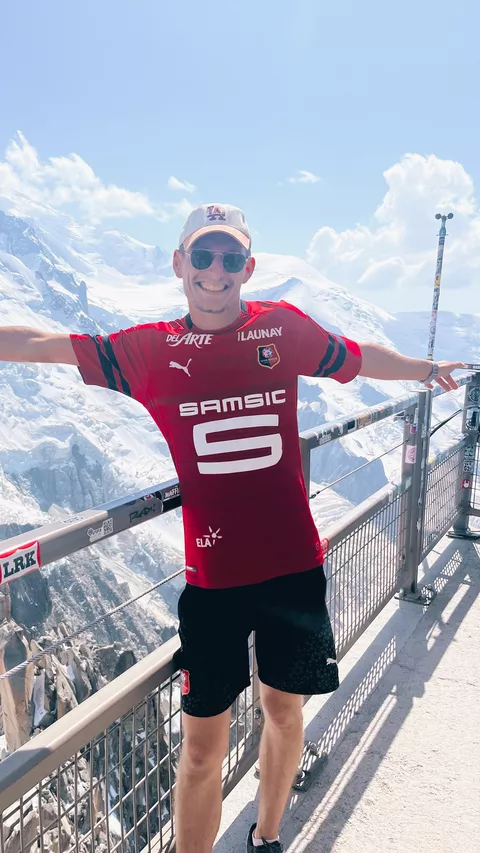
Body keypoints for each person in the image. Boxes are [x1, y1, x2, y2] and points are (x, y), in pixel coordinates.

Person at [0, 203, 464, 853]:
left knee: (284, 710)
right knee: (199, 752)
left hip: (295, 567)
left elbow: (357, 359)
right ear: (179, 263)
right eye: (202, 255)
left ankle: (267, 837)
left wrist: (423, 372)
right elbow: (45, 347)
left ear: (248, 267)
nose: (215, 271)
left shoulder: (284, 328)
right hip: (213, 584)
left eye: (229, 258)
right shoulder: (150, 349)